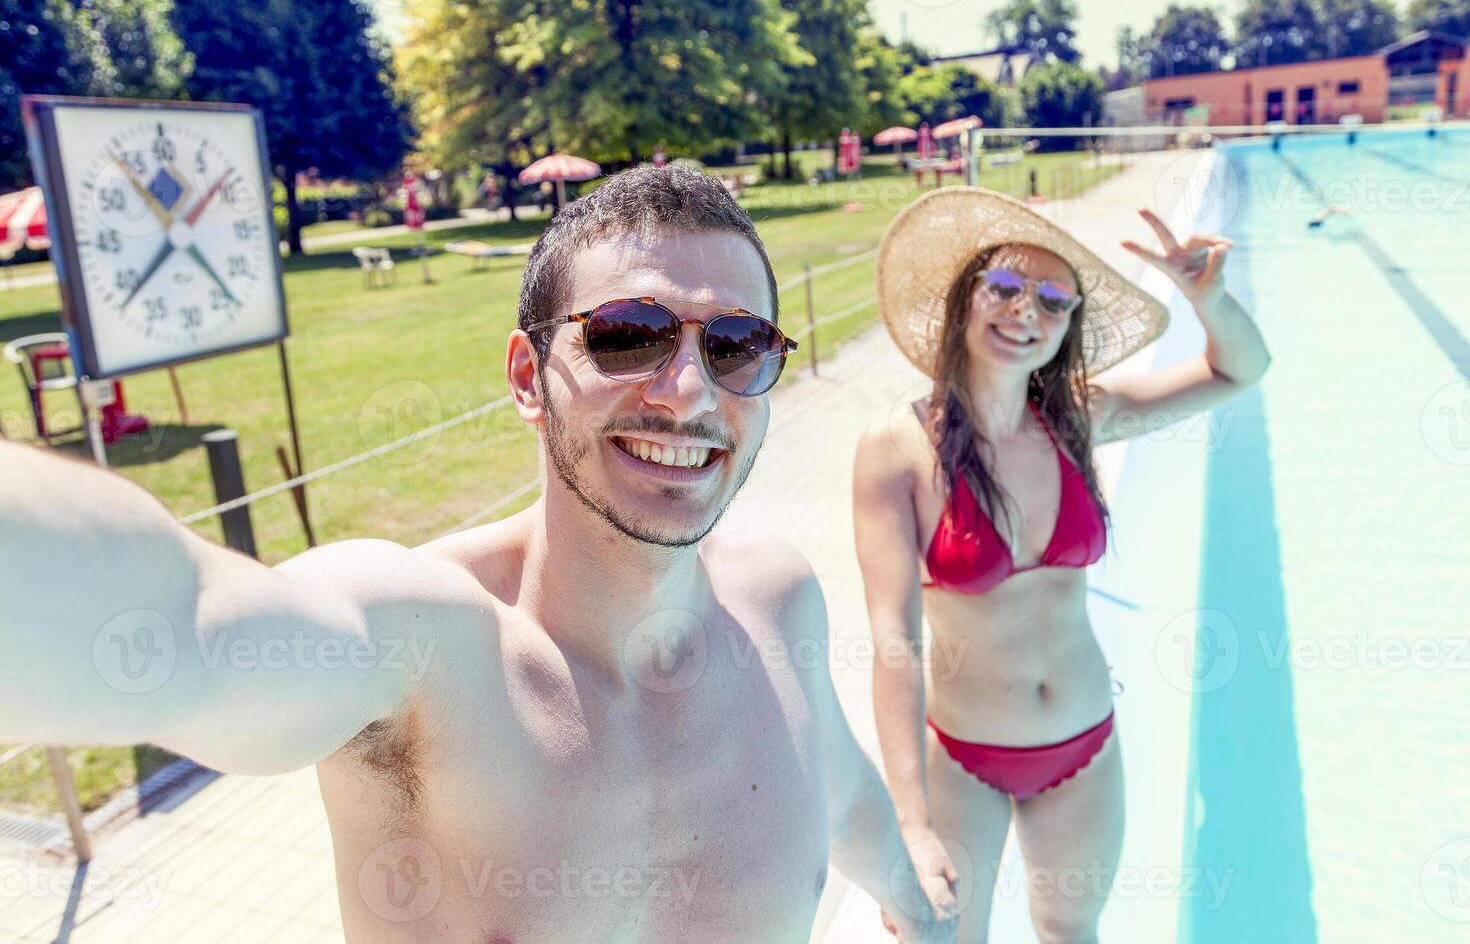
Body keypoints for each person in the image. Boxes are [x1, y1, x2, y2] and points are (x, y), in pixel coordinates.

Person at [0, 166, 957, 943]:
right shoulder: (427, 650)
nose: (688, 394)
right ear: (527, 378)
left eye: (738, 346)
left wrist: (928, 918)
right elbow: (186, 622)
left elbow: (840, 790)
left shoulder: (780, 601)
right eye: (629, 335)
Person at [853, 187, 1270, 942]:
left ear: (1068, 327)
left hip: (1083, 749)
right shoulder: (898, 448)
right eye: (1007, 288)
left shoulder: (1079, 415)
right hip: (963, 756)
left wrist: (1206, 297)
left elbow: (1240, 370)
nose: (1026, 312)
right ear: (965, 300)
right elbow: (893, 639)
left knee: (1070, 932)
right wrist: (907, 823)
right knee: (940, 937)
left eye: (1053, 301)